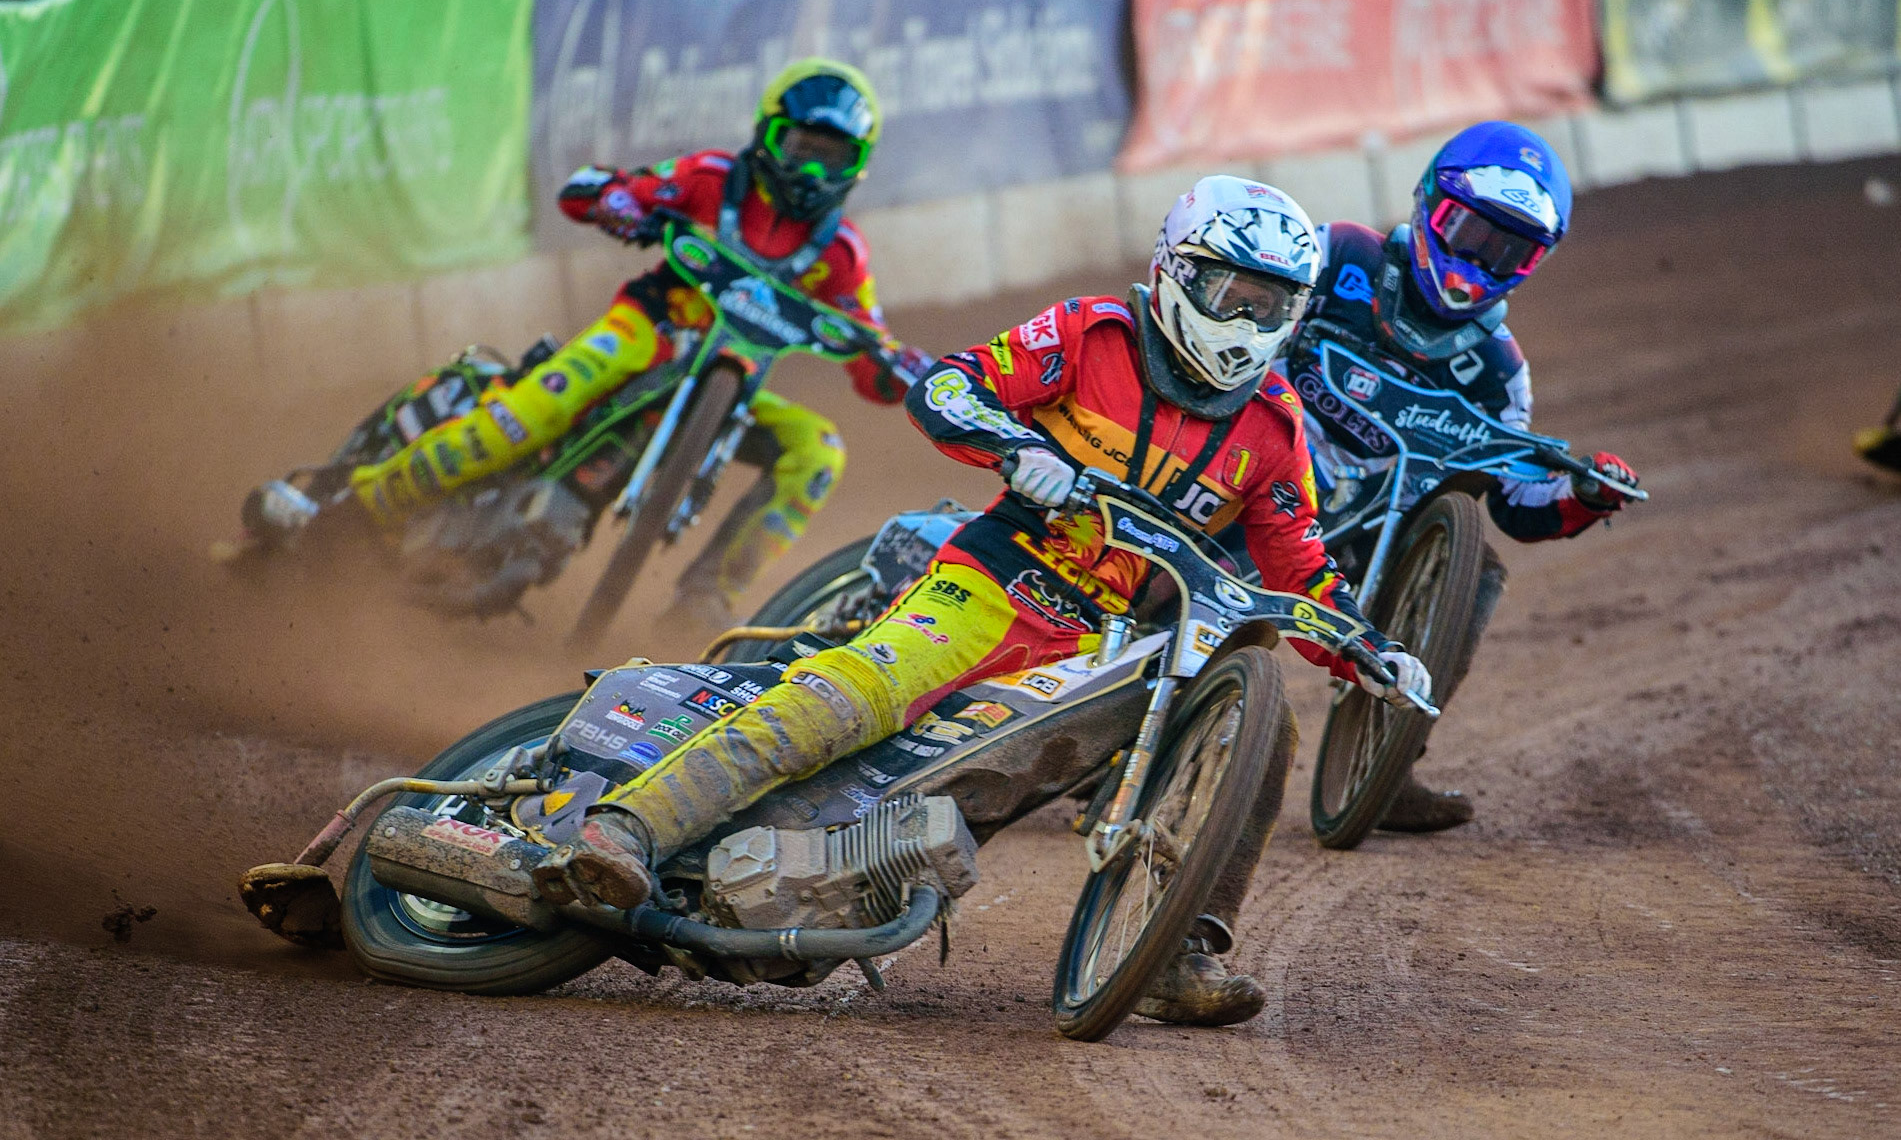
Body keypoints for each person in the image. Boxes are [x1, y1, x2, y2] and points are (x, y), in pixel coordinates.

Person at [533, 176, 1431, 1027]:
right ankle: (626, 828)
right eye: (1230, 293)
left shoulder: (1273, 428)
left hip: (1108, 642)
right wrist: (1014, 447)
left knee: (1254, 725)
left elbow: (1301, 566)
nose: (1243, 321)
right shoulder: (1091, 334)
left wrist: (1370, 648)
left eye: (1269, 305)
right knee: (856, 695)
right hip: (996, 581)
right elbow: (950, 384)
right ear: (1176, 273)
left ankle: (1177, 950)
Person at [250, 59, 922, 632]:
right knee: (534, 412)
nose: (813, 169)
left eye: (834, 156)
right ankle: (356, 508)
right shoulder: (713, 179)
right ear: (766, 134)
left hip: (730, 387)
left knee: (818, 450)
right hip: (646, 332)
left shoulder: (840, 254)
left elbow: (873, 356)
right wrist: (620, 202)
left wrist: (901, 369)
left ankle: (705, 602)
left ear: (858, 166)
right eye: (800, 145)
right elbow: (596, 190)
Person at [1273, 121, 1640, 833]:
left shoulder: (1499, 371)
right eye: (1468, 232)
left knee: (1476, 570)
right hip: (1259, 469)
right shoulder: (1336, 253)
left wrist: (1585, 493)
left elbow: (1518, 502)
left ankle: (1390, 756)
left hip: (1367, 529)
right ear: (1427, 202)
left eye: (1506, 250)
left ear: (1531, 263)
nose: (1477, 260)